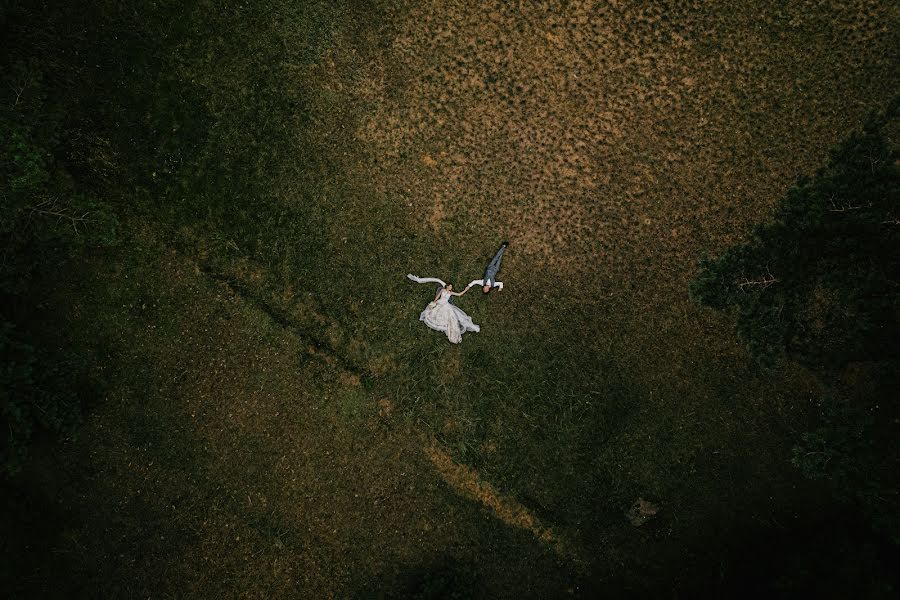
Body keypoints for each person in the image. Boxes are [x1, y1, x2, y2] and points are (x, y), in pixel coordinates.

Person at [407, 276, 480, 344]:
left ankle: (452, 332)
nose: (451, 288)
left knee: (451, 317)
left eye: (451, 287)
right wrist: (434, 302)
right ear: (447, 286)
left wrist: (465, 290)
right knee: (435, 313)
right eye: (450, 286)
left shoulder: (450, 293)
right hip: (439, 303)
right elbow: (438, 297)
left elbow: (459, 294)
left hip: (446, 305)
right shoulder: (442, 290)